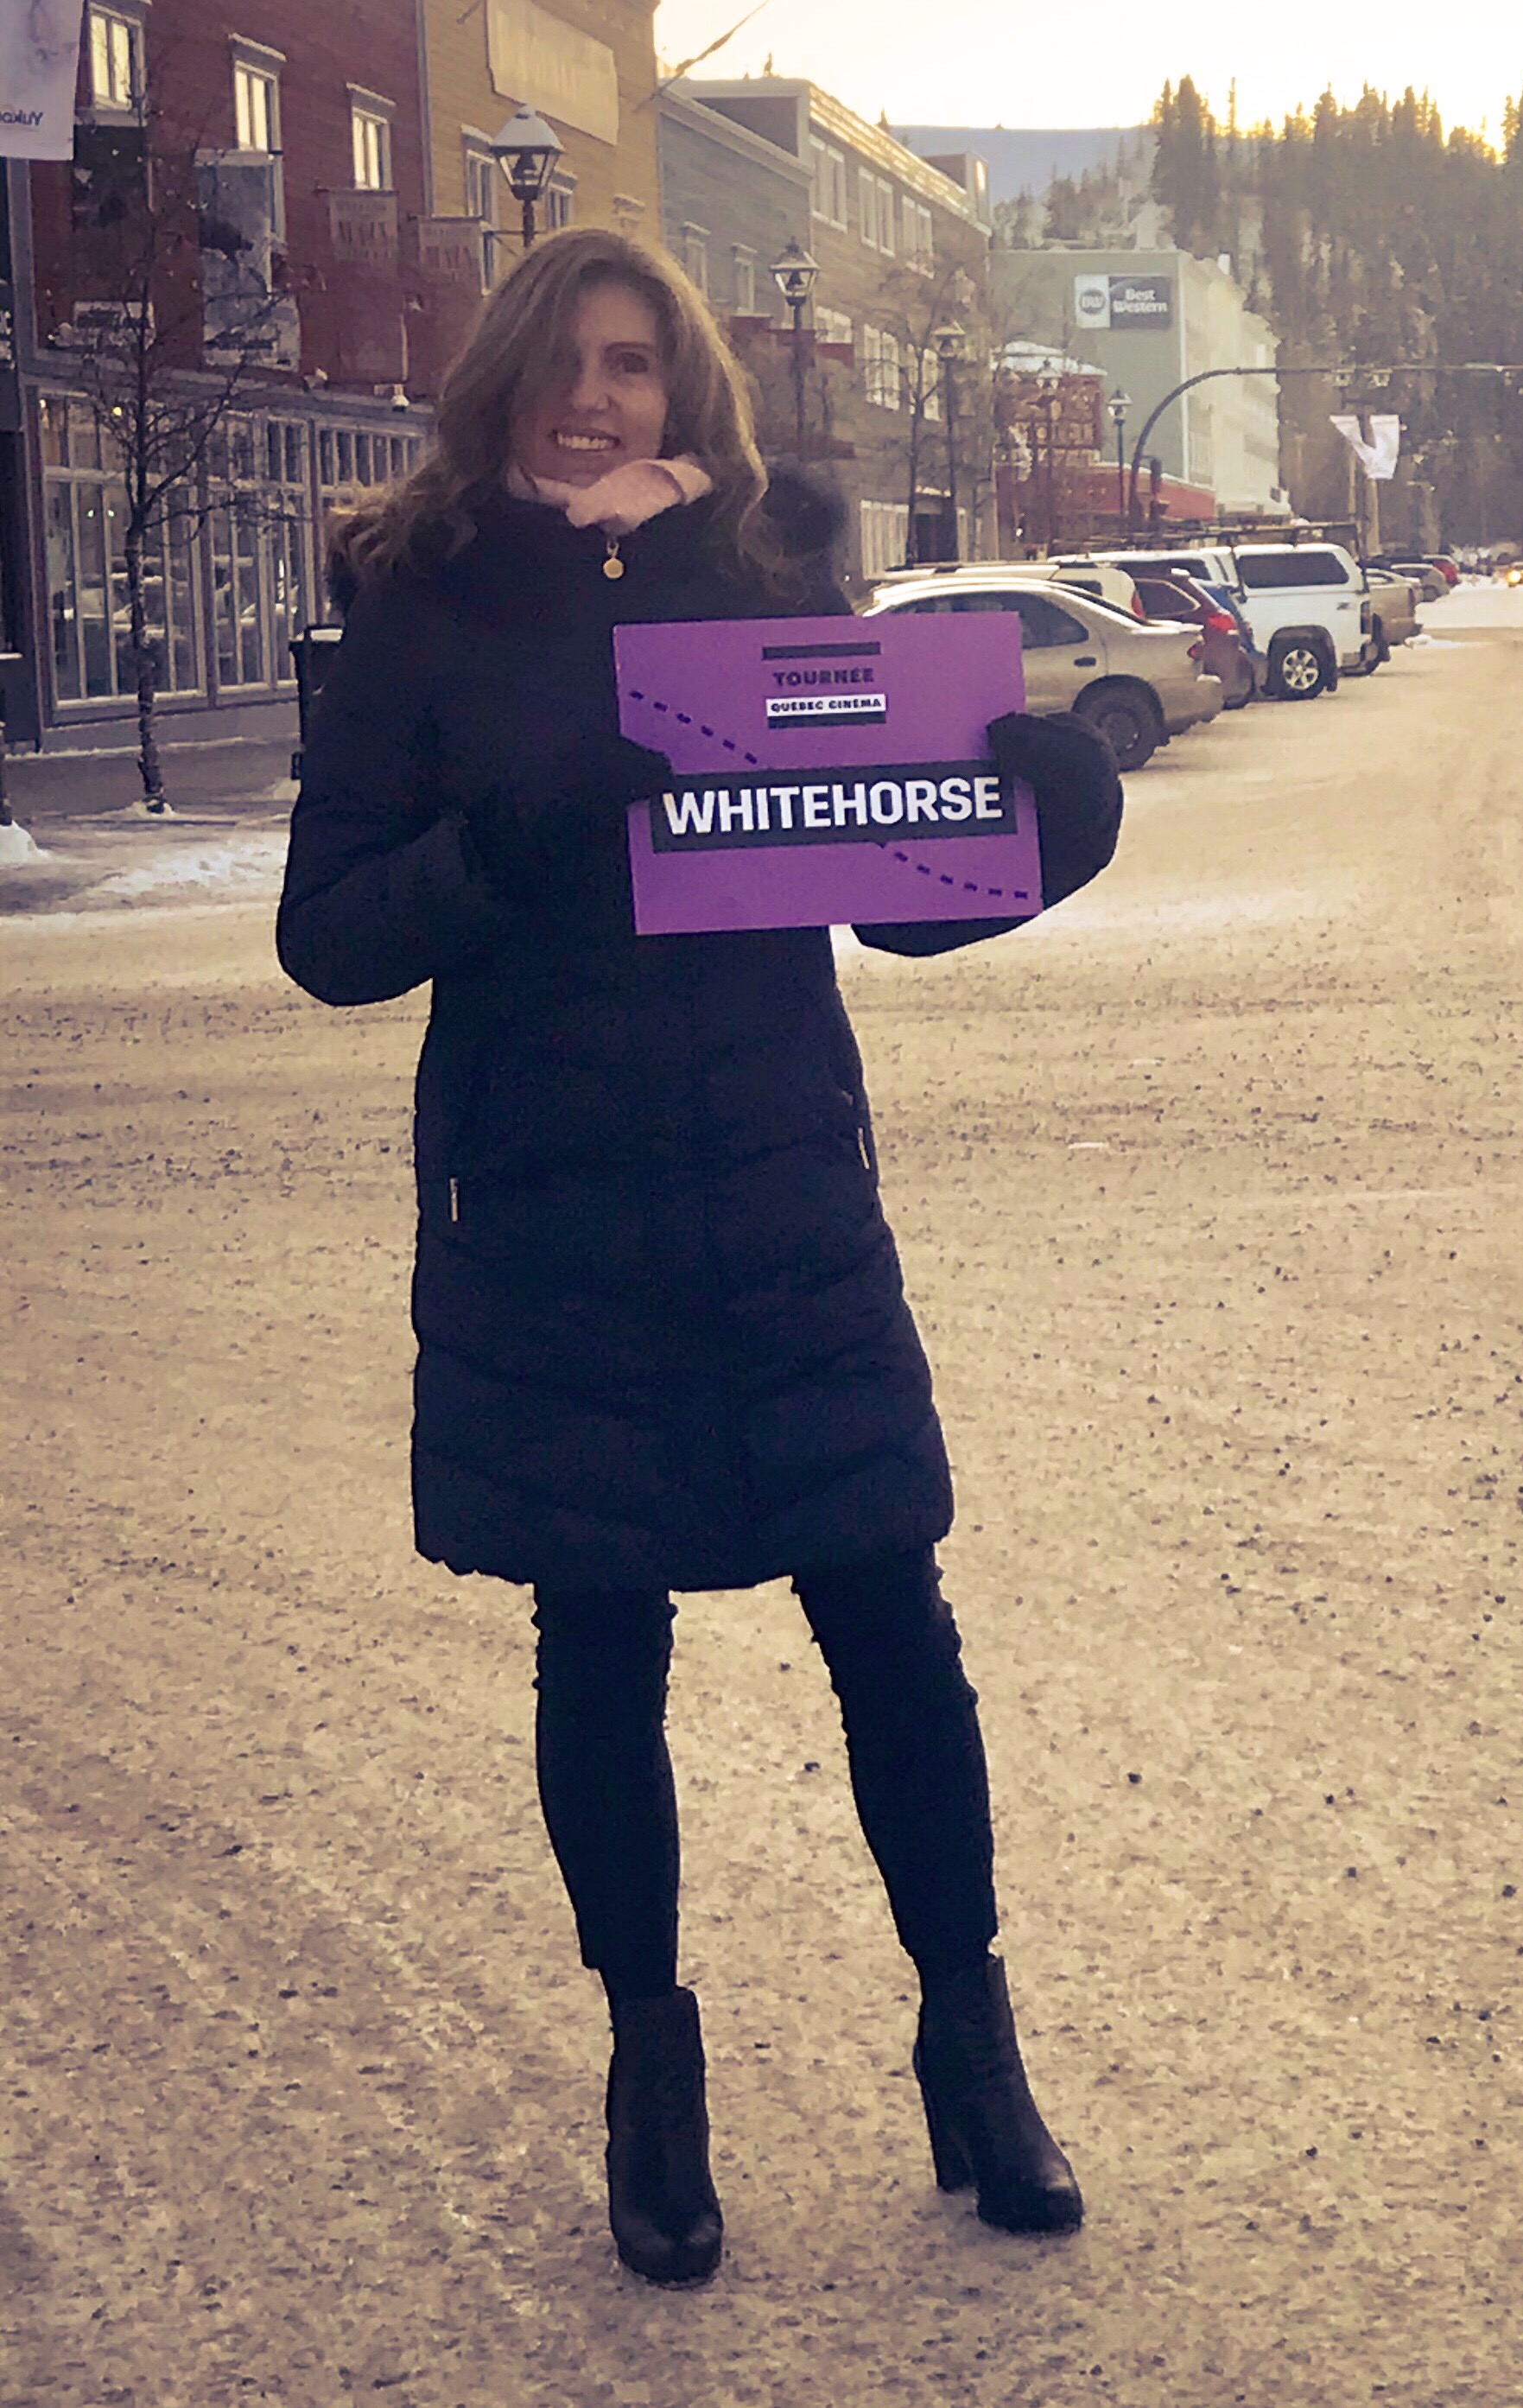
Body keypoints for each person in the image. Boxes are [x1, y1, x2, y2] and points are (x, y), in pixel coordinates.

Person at [276, 228, 1120, 2287]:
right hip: (550, 1206)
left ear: (682, 391)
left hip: (774, 1183)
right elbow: (331, 930)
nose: (602, 395)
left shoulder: (763, 582)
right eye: (569, 360)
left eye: (636, 363)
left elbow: (881, 880)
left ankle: (971, 2032)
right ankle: (652, 2067)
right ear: (506, 377)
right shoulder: (422, 603)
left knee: (890, 1618)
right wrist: (512, 846)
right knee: (602, 1646)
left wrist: (1032, 834)